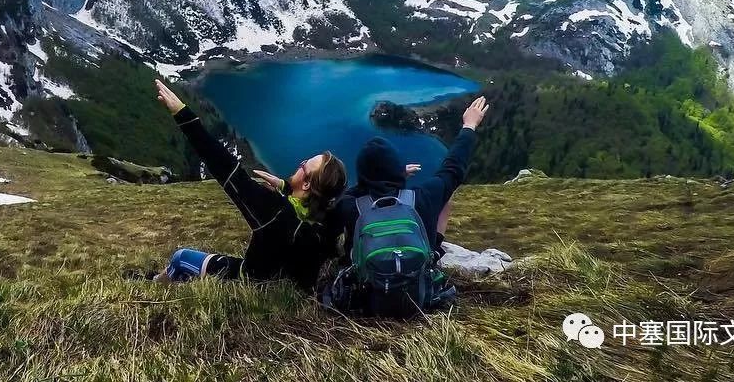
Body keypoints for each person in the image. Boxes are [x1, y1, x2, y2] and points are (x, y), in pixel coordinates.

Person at [153, 79, 348, 291]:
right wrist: (285, 187)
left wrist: (183, 116)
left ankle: (154, 286)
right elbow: (310, 208)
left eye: (304, 166)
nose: (300, 164)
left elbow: (225, 168)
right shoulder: (326, 223)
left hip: (249, 284)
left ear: (307, 184)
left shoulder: (274, 211)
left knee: (181, 257)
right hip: (284, 290)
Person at [326, 95, 489, 313]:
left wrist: (373, 182)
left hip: (366, 300)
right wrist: (469, 125)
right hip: (418, 294)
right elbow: (453, 169)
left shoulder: (349, 206)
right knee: (446, 201)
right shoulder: (422, 197)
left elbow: (347, 196)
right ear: (395, 166)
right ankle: (434, 251)